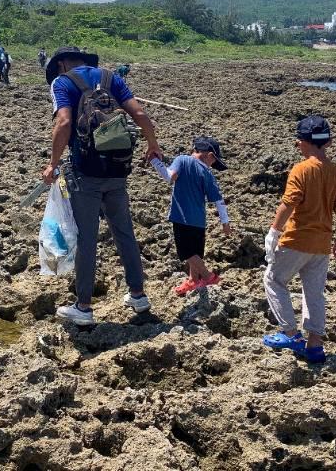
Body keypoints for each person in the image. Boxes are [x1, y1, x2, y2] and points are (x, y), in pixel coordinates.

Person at [43, 46, 163, 325]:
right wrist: (153, 145)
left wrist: (53, 162)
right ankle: (138, 295)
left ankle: (83, 307)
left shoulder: (63, 82)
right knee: (124, 232)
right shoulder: (111, 78)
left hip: (86, 171)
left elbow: (64, 122)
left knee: (87, 237)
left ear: (61, 64)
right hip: (118, 168)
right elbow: (141, 115)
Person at [262, 115, 336, 364]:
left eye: (298, 140)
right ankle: (315, 346)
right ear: (328, 142)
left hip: (296, 240)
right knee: (314, 293)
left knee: (274, 279)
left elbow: (289, 203)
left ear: (305, 142)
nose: (297, 145)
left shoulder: (301, 169)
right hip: (321, 244)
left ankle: (289, 332)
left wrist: (273, 232)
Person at [151, 137, 232, 295]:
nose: (213, 165)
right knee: (196, 253)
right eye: (214, 161)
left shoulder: (182, 159)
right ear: (208, 155)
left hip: (182, 217)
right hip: (200, 222)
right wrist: (225, 223)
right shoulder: (207, 173)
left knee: (186, 253)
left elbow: (169, 176)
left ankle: (208, 276)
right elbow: (219, 201)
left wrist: (154, 161)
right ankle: (193, 281)